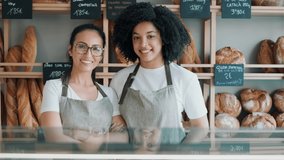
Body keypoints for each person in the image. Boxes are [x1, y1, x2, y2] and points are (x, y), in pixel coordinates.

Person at [110, 2, 209, 147]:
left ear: (163, 39)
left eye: (150, 36)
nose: (143, 44)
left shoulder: (185, 78)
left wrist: (180, 153)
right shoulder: (120, 79)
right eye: (136, 37)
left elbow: (200, 127)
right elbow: (118, 126)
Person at [40, 23, 127, 145]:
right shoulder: (54, 87)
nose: (88, 54)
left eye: (96, 48)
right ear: (70, 50)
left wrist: (86, 138)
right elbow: (53, 137)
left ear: (101, 55)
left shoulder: (109, 93)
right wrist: (99, 142)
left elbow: (123, 137)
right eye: (81, 46)